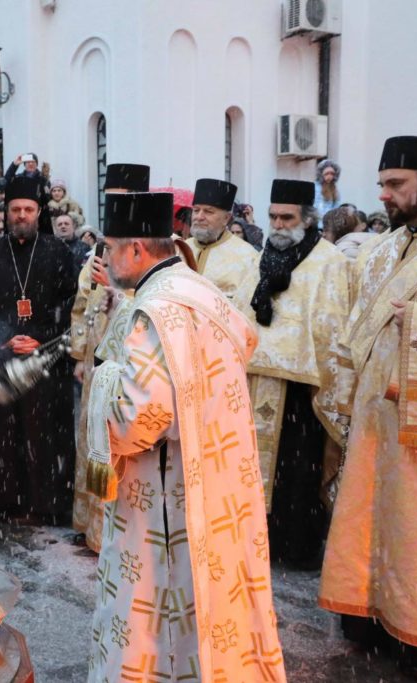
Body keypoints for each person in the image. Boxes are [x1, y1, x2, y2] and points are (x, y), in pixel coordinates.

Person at [83, 190, 285, 682]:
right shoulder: (201, 291)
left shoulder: (153, 311)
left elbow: (138, 422)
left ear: (135, 250)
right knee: (215, 601)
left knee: (159, 606)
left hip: (166, 492)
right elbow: (245, 340)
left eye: (109, 249)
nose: (103, 261)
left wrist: (103, 378)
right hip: (218, 478)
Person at [320, 136, 417, 680]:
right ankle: (372, 620)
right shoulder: (383, 248)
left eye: (395, 184)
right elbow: (357, 323)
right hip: (373, 417)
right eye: (382, 184)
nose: (383, 195)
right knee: (370, 514)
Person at [233, 179, 350, 570]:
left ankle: (295, 547)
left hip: (303, 392)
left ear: (307, 219)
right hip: (254, 382)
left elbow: (333, 325)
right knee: (250, 467)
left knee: (298, 473)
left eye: (287, 217)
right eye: (272, 217)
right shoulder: (258, 257)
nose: (278, 225)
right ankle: (255, 541)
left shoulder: (329, 261)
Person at [0, 175, 78, 526]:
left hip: (45, 360)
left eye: (28, 210)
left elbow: (71, 304)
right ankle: (6, 504)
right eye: (15, 209)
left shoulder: (57, 251)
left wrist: (38, 336)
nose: (21, 216)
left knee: (46, 433)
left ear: (38, 212)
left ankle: (48, 505)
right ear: (6, 211)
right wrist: (7, 337)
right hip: (2, 359)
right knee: (4, 437)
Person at [71, 163, 151, 552]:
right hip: (96, 354)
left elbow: (150, 306)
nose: (114, 206)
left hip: (128, 364)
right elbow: (82, 302)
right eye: (110, 199)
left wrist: (118, 294)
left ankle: (116, 534)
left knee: (120, 442)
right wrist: (79, 353)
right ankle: (92, 525)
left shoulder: (148, 248)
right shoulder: (101, 250)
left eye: (122, 199)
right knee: (90, 435)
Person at [186, 178, 260, 298]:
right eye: (196, 210)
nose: (199, 217)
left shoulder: (247, 257)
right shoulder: (180, 248)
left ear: (226, 218)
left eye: (208, 212)